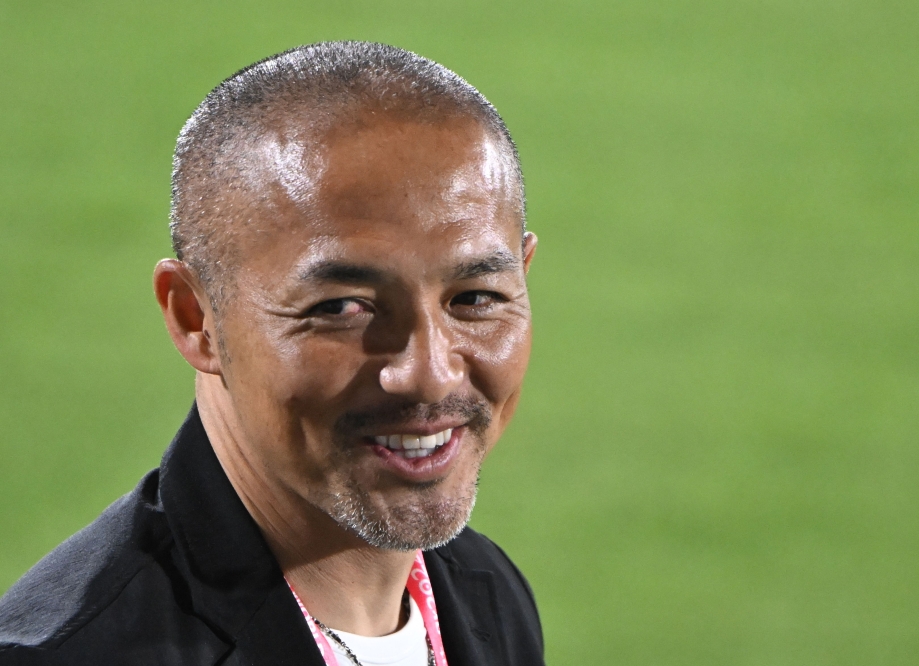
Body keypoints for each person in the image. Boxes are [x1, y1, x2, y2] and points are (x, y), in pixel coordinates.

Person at [0, 42, 543, 666]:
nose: (428, 373)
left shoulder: (485, 594)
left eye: (475, 297)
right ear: (195, 317)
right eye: (342, 308)